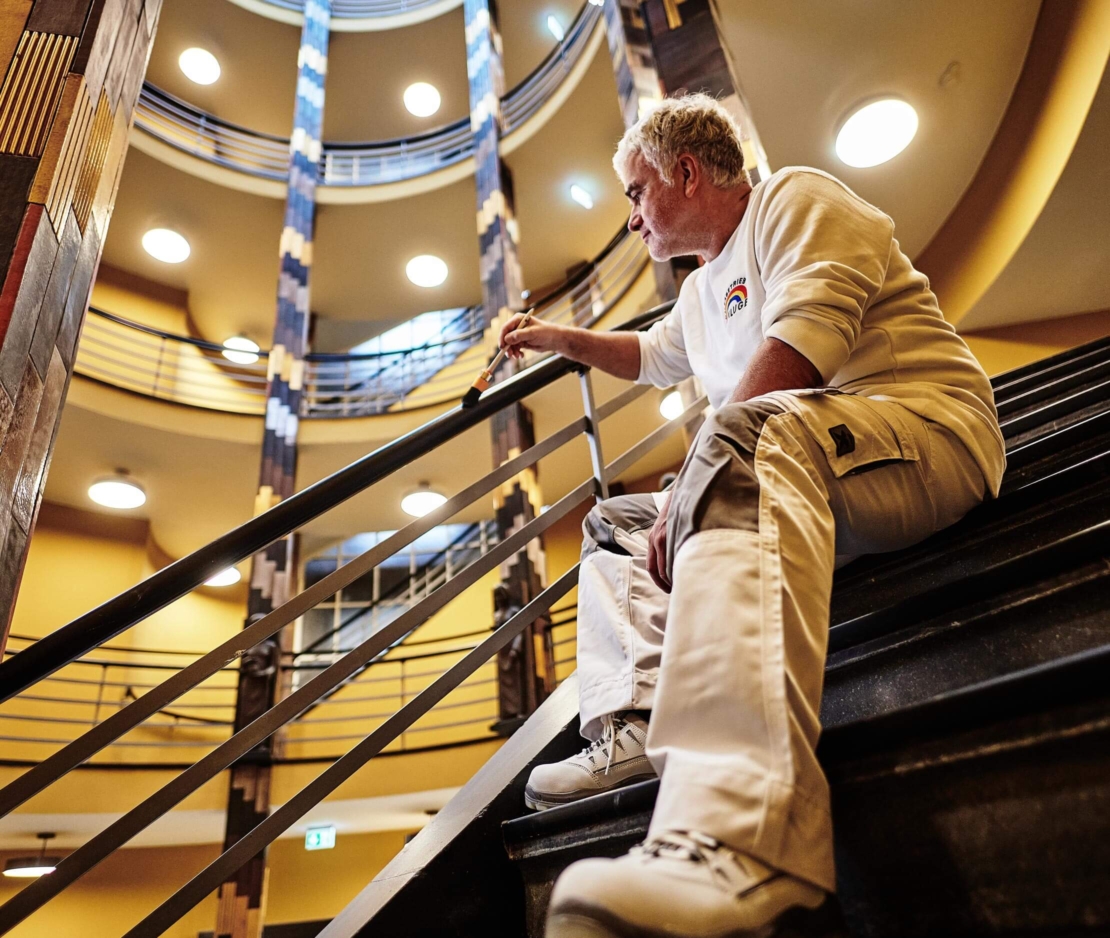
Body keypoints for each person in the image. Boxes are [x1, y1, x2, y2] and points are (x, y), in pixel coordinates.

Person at [497, 94, 1005, 938]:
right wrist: (557, 339)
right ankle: (635, 724)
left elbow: (805, 348)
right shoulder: (700, 291)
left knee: (736, 442)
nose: (631, 219)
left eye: (635, 193)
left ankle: (742, 836)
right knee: (615, 523)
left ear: (685, 172)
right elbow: (650, 356)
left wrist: (702, 470)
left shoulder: (793, 199)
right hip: (803, 467)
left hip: (925, 434)